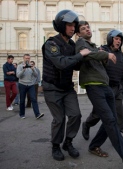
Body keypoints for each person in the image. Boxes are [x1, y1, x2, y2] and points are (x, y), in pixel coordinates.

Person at [76, 21, 123, 169]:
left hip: (107, 87)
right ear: (78, 33)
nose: (87, 29)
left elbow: (118, 72)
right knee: (110, 121)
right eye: (83, 28)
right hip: (95, 87)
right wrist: (105, 54)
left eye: (88, 27)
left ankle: (94, 145)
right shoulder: (81, 44)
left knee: (112, 121)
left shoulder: (93, 46)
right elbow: (85, 56)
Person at [41, 10, 90, 161]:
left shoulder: (72, 45)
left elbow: (75, 66)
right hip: (52, 88)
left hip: (67, 88)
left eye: (74, 25)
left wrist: (92, 55)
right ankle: (56, 145)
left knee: (75, 115)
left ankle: (68, 142)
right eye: (69, 25)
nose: (72, 28)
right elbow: (61, 63)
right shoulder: (51, 44)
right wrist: (80, 55)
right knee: (59, 119)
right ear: (61, 26)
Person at [82, 28, 123, 140]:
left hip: (117, 88)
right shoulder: (102, 50)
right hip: (105, 88)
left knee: (119, 113)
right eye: (116, 39)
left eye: (120, 40)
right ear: (110, 39)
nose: (119, 42)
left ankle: (117, 135)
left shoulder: (121, 54)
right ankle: (87, 124)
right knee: (98, 114)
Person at [16, 54, 44, 120]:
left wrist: (33, 69)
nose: (27, 59)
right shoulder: (20, 66)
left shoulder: (31, 66)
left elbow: (36, 75)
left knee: (34, 99)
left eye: (28, 58)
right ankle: (22, 114)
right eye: (26, 58)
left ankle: (37, 114)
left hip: (31, 85)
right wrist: (24, 69)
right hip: (22, 84)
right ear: (23, 58)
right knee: (22, 100)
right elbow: (18, 76)